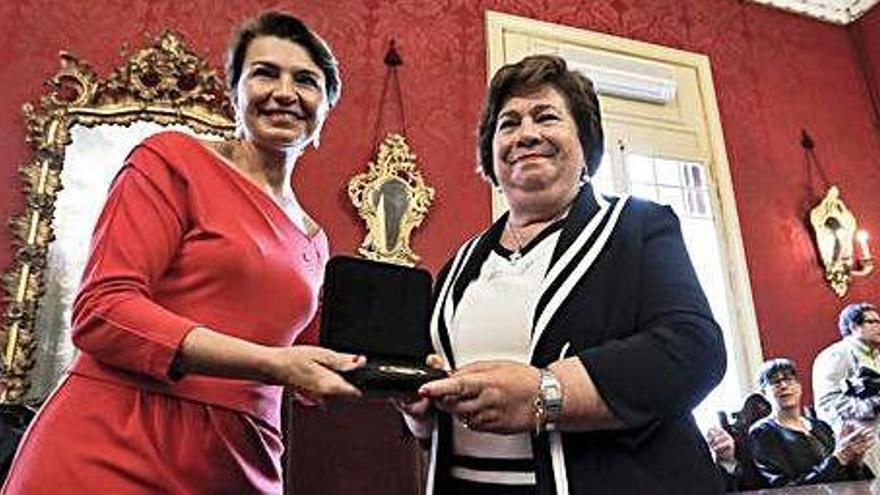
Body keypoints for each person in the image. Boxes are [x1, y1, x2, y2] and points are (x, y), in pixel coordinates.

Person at [2, 11, 365, 494]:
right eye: (264, 73)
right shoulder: (172, 159)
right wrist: (271, 364)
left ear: (325, 109)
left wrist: (415, 373)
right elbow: (102, 312)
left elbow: (310, 365)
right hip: (116, 444)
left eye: (305, 80)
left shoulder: (315, 240)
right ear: (235, 94)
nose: (284, 91)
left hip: (239, 463)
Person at [400, 54, 726, 495]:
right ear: (491, 153)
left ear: (584, 141)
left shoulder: (638, 226)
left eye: (546, 117)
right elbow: (434, 425)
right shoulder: (459, 264)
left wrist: (546, 393)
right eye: (508, 123)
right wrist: (419, 411)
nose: (526, 133)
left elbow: (694, 349)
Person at [749, 358, 874, 487]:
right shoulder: (762, 432)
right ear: (764, 393)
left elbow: (846, 477)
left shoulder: (821, 427)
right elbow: (785, 488)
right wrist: (840, 457)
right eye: (775, 382)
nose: (784, 386)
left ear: (799, 387)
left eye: (789, 379)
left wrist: (855, 461)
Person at [814, 302, 880, 475]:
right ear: (853, 326)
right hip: (860, 438)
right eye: (873, 322)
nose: (879, 326)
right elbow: (828, 402)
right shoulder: (836, 354)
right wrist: (872, 405)